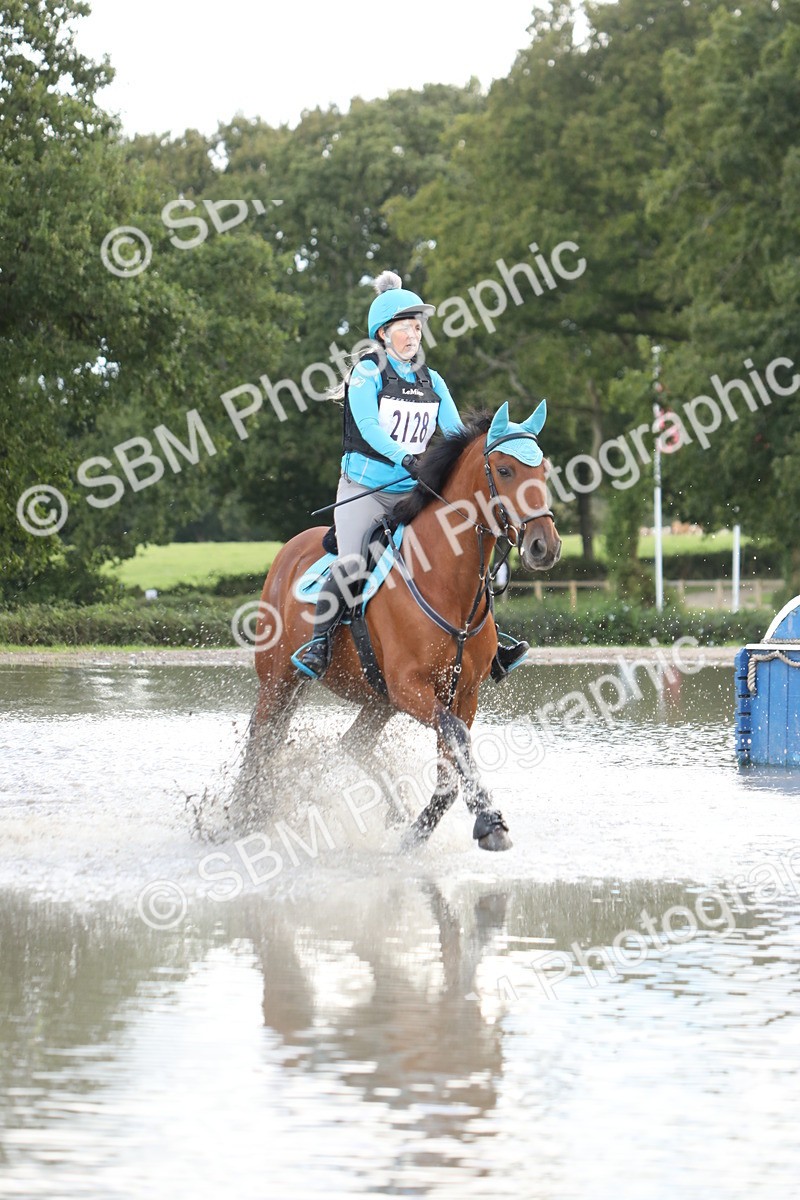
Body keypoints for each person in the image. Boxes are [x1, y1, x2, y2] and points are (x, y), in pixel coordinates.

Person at [292, 270, 529, 681]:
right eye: (405, 327)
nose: (413, 334)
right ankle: (319, 644)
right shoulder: (367, 374)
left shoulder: (431, 380)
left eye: (417, 327)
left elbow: (458, 435)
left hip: (414, 489)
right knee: (352, 564)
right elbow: (368, 426)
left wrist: (500, 442)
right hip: (365, 490)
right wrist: (406, 458)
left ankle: (489, 649)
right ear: (383, 334)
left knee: (461, 555)